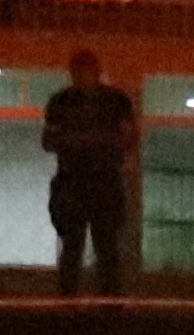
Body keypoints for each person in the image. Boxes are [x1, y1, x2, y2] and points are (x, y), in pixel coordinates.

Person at [44, 49, 138, 295]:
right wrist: (98, 142)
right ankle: (79, 298)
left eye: (85, 71)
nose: (82, 76)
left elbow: (128, 138)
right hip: (78, 182)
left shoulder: (112, 102)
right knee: (78, 246)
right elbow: (48, 140)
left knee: (103, 246)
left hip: (98, 181)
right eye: (79, 71)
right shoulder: (64, 102)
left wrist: (79, 141)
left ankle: (105, 300)